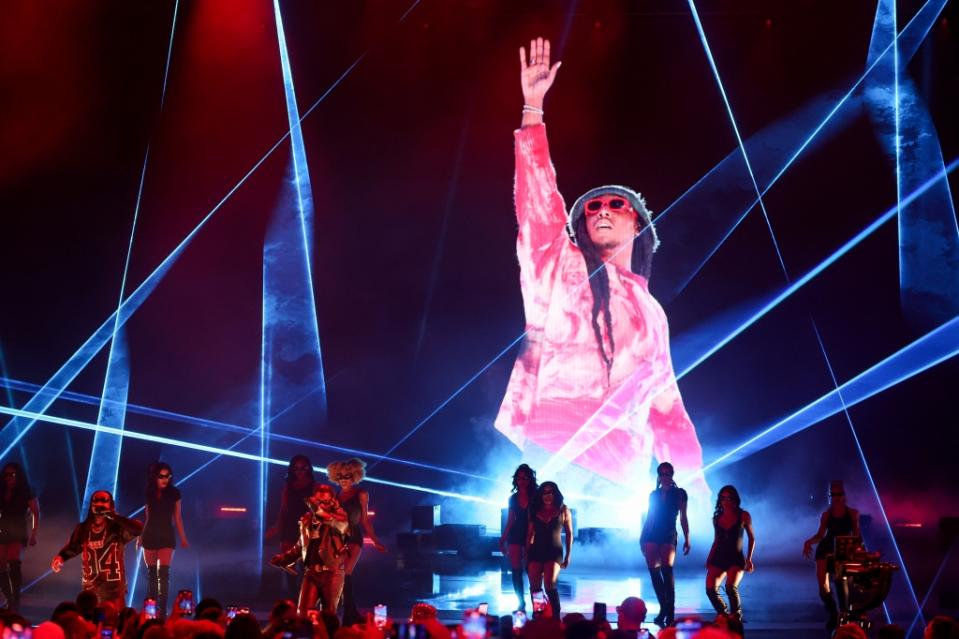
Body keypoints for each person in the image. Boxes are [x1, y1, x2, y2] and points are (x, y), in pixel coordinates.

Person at [494, 36, 707, 496]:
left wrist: (697, 488)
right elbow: (537, 204)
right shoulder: (558, 264)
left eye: (615, 204)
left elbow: (669, 409)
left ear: (638, 223)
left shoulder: (653, 313)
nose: (603, 210)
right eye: (591, 207)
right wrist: (533, 108)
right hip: (553, 451)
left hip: (621, 471)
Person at [51, 490, 143, 608]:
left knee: (113, 623)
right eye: (96, 500)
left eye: (104, 501)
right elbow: (72, 547)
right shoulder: (83, 528)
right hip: (90, 591)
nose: (99, 504)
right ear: (91, 505)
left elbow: (138, 529)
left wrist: (113, 515)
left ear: (111, 505)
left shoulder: (117, 527)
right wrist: (61, 557)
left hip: (113, 591)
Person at [270, 483, 350, 616]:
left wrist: (316, 509)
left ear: (332, 502)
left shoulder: (340, 520)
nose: (321, 505)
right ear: (312, 500)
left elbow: (337, 523)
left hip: (332, 574)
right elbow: (300, 547)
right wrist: (283, 559)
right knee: (302, 614)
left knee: (328, 616)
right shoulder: (306, 521)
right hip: (311, 573)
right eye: (318, 502)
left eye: (325, 502)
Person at [327, 458, 386, 625]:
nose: (344, 480)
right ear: (335, 478)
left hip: (353, 537)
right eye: (340, 477)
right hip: (337, 539)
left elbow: (365, 521)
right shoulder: (335, 495)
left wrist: (375, 540)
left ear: (354, 477)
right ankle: (351, 615)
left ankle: (350, 616)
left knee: (345, 574)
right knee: (340, 576)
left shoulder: (361, 493)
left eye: (347, 476)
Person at [803, 480, 860, 630]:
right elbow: (821, 535)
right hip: (825, 549)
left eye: (838, 494)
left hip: (842, 551)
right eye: (833, 494)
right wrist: (809, 542)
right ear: (830, 496)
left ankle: (843, 614)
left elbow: (857, 536)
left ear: (843, 495)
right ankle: (833, 613)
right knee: (823, 587)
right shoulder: (826, 515)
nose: (836, 497)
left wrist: (857, 551)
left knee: (841, 583)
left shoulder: (853, 514)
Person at [640, 463, 688, 628]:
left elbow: (683, 518)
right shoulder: (653, 495)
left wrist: (687, 538)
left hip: (668, 534)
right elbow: (650, 518)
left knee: (667, 571)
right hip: (651, 535)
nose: (665, 476)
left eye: (668, 473)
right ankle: (664, 608)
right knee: (654, 573)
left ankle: (671, 612)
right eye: (662, 473)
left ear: (672, 475)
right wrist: (642, 537)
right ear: (659, 476)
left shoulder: (680, 494)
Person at [138, 462, 189, 620]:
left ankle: (162, 611)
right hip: (150, 534)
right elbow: (147, 516)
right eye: (161, 476)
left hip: (166, 535)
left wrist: (183, 538)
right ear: (155, 477)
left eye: (168, 476)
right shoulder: (149, 492)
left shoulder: (174, 493)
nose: (165, 479)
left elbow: (177, 517)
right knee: (152, 574)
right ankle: (151, 610)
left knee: (164, 574)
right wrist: (140, 536)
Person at [704, 485, 755, 622]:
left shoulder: (743, 515)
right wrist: (709, 559)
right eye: (723, 498)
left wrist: (749, 559)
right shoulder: (717, 518)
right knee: (710, 588)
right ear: (720, 500)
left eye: (729, 498)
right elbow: (716, 540)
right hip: (719, 557)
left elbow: (751, 538)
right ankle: (724, 614)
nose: (726, 501)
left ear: (734, 499)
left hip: (735, 558)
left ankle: (736, 616)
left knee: (730, 587)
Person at [526, 481, 572, 619]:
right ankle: (539, 616)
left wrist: (568, 556)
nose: (547, 495)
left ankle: (556, 618)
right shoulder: (534, 509)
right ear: (541, 495)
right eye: (544, 492)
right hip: (536, 550)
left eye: (550, 492)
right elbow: (530, 534)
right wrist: (526, 554)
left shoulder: (563, 509)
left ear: (555, 493)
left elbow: (569, 533)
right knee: (535, 588)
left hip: (554, 551)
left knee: (549, 585)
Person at [0, 462, 39, 611]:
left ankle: (15, 599)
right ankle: (9, 599)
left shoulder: (25, 491)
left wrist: (34, 533)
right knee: (1, 567)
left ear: (18, 476)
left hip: (18, 529)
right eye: (6, 475)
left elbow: (36, 512)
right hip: (3, 529)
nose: (8, 478)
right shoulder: (2, 491)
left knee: (14, 563)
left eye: (12, 475)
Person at [500, 464, 537, 611]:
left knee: (532, 571)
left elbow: (534, 520)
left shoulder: (535, 497)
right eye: (519, 478)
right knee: (516, 569)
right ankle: (521, 603)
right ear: (516, 480)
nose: (522, 481)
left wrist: (531, 538)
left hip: (533, 533)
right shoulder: (513, 498)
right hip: (515, 534)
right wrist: (503, 538)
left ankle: (538, 606)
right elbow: (510, 520)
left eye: (525, 478)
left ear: (530, 480)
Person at [266, 455, 316, 552]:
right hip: (289, 527)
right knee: (288, 561)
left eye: (303, 468)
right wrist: (278, 526)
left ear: (308, 468)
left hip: (306, 527)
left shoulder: (315, 487)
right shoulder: (288, 487)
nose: (299, 471)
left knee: (305, 562)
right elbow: (284, 508)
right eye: (296, 468)